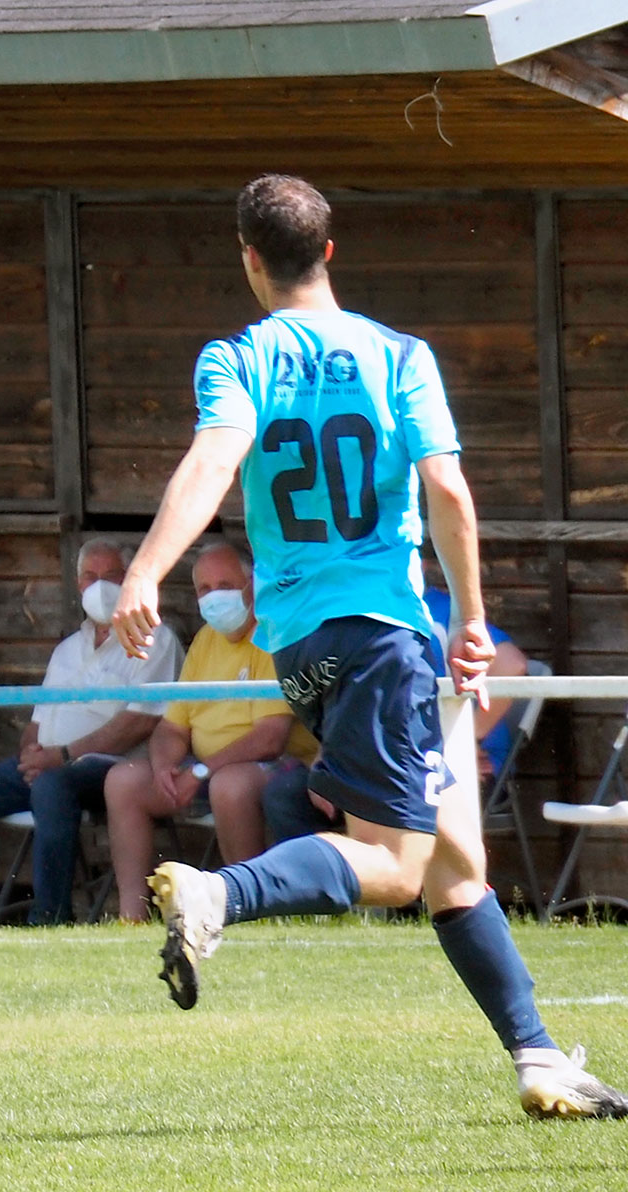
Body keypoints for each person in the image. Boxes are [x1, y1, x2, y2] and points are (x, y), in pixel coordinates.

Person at [111, 173, 626, 1118]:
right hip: (386, 640)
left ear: (250, 260)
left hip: (301, 650)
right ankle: (222, 895)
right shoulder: (401, 356)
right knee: (392, 868)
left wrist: (147, 571)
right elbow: (451, 495)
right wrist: (471, 618)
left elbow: (214, 460)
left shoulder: (236, 356)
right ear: (331, 252)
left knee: (451, 862)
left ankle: (539, 1058)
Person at [0, 537, 182, 927]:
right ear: (78, 585)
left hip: (110, 769)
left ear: (132, 579)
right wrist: (32, 754)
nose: (100, 586)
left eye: (113, 576)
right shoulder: (67, 649)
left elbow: (138, 723)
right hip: (49, 764)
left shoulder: (153, 638)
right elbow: (37, 722)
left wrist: (60, 757)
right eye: (90, 577)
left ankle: (49, 917)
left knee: (52, 786)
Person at [101, 542, 319, 922]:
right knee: (123, 781)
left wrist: (201, 771)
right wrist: (166, 767)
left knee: (229, 786)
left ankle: (248, 910)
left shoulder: (273, 634)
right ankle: (131, 917)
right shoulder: (205, 640)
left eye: (225, 584)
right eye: (205, 589)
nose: (215, 596)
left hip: (271, 766)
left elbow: (270, 739)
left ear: (251, 585)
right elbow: (172, 728)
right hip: (200, 769)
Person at [264, 584, 528, 843]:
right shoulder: (361, 617)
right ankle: (321, 885)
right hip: (382, 761)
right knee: (287, 795)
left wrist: (463, 744)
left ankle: (401, 881)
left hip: (457, 768)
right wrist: (330, 760)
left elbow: (511, 664)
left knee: (382, 807)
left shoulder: (436, 610)